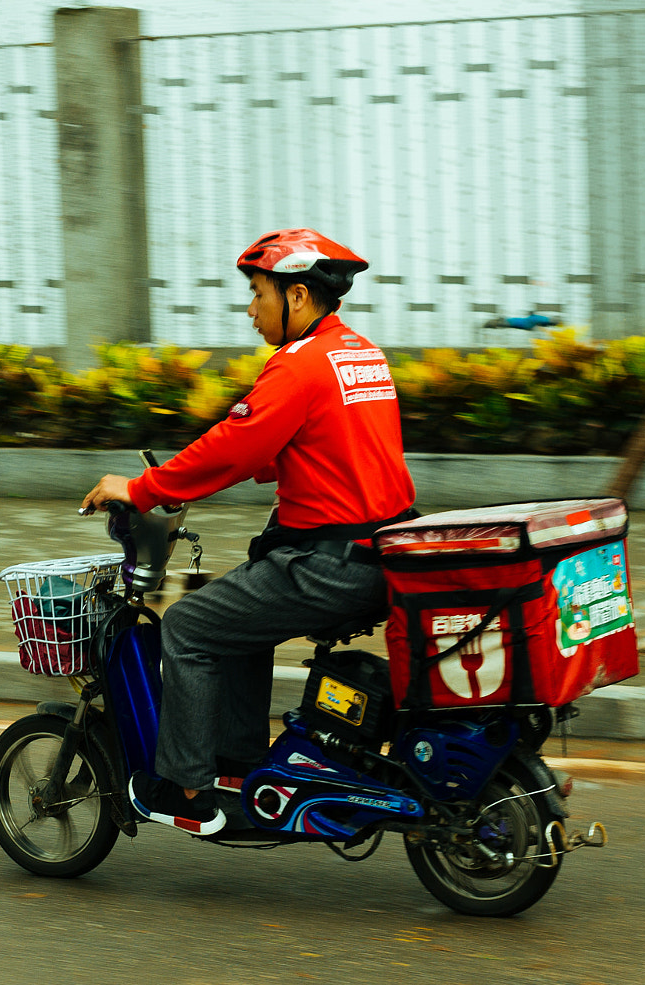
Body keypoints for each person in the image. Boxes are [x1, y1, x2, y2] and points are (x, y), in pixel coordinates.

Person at [81, 229, 416, 835]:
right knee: (236, 611)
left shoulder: (298, 365)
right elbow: (294, 445)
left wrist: (142, 489)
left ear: (297, 296)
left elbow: (233, 448)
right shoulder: (358, 354)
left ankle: (184, 788)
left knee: (188, 624)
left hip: (329, 565)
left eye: (258, 293)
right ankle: (237, 763)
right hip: (376, 553)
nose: (251, 309)